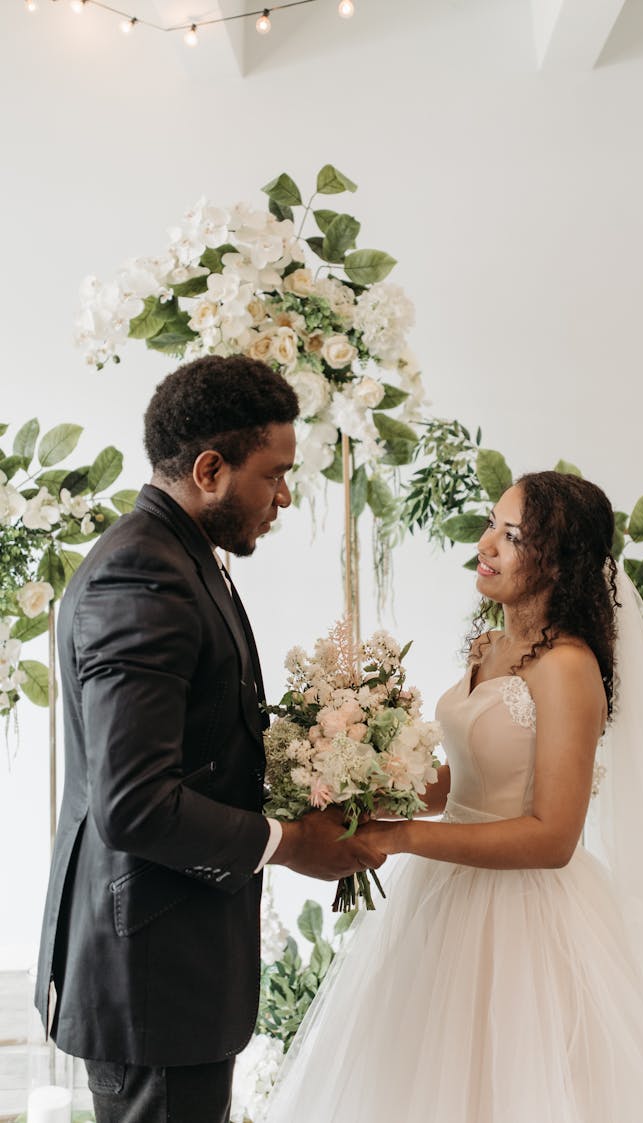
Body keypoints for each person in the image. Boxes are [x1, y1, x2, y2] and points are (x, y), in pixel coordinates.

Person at [264, 470, 643, 1123]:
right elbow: (466, 778)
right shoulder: (489, 645)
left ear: (559, 562)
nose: (486, 543)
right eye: (493, 522)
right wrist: (366, 787)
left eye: (512, 535)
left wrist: (397, 837)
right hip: (444, 899)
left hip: (528, 916)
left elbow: (552, 836)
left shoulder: (568, 667)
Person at [34, 354, 385, 1123]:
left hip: (170, 972)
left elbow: (201, 744)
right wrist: (291, 840)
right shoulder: (144, 574)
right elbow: (136, 805)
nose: (285, 496)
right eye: (274, 474)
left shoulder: (181, 558)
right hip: (151, 978)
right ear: (210, 468)